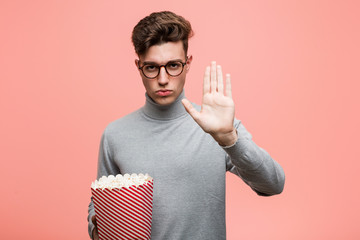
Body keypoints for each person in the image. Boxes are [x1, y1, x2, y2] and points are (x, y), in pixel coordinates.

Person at [87, 11, 285, 240]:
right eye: (151, 67)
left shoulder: (217, 127)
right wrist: (100, 226)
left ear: (188, 63)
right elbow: (97, 206)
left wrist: (230, 139)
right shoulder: (115, 135)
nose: (163, 79)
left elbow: (274, 184)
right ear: (138, 66)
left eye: (173, 65)